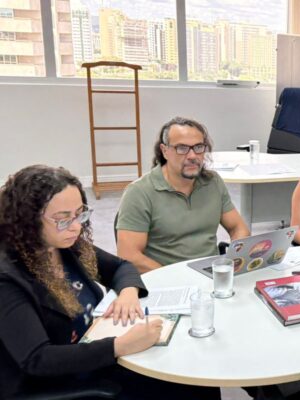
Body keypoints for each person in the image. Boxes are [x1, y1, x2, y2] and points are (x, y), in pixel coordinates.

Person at [0, 165, 219, 399]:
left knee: (193, 373)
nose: (76, 227)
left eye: (80, 214)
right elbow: (38, 359)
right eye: (63, 219)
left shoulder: (64, 244)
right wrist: (120, 345)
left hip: (98, 354)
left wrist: (128, 293)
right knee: (183, 384)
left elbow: (121, 267)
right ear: (28, 220)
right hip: (64, 382)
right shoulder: (8, 279)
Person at [116, 116, 250, 273]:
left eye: (198, 147)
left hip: (210, 275)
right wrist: (178, 278)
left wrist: (234, 260)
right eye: (182, 148)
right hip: (166, 278)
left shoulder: (213, 182)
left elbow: (238, 227)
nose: (192, 156)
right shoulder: (139, 192)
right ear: (165, 151)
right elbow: (129, 256)